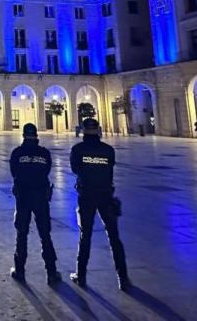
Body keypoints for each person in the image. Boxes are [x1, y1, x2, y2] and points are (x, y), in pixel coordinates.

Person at [70, 118, 130, 291]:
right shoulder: (108, 150)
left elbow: (75, 170)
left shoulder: (78, 149)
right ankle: (123, 278)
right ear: (98, 131)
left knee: (85, 235)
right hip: (106, 196)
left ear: (82, 131)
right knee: (114, 237)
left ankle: (81, 276)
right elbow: (110, 167)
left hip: (87, 196)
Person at [9, 122, 61, 284]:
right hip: (40, 196)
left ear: (23, 135)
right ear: (36, 135)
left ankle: (20, 270)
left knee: (21, 233)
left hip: (23, 197)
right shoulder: (44, 153)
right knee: (45, 234)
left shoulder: (17, 153)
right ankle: (51, 272)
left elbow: (14, 173)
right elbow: (47, 171)